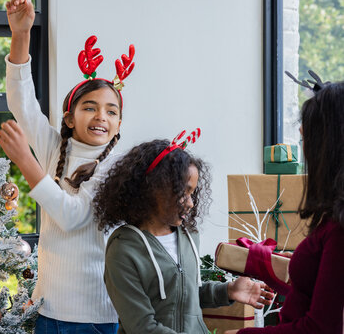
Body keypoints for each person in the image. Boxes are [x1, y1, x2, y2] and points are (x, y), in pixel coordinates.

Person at [0, 0, 135, 333]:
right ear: (70, 117)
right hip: (49, 308)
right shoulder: (55, 148)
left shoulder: (117, 170)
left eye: (111, 111)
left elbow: (71, 216)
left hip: (94, 317)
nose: (101, 116)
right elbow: (22, 101)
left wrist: (25, 161)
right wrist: (21, 34)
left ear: (119, 124)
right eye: (90, 107)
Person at [93, 133, 274, 334]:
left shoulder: (188, 236)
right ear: (154, 189)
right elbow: (142, 327)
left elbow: (186, 293)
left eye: (192, 193)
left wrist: (228, 291)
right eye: (183, 192)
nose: (191, 203)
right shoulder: (124, 249)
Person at [224, 74, 344, 333]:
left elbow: (321, 328)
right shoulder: (332, 216)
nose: (300, 132)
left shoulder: (339, 228)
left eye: (307, 131)